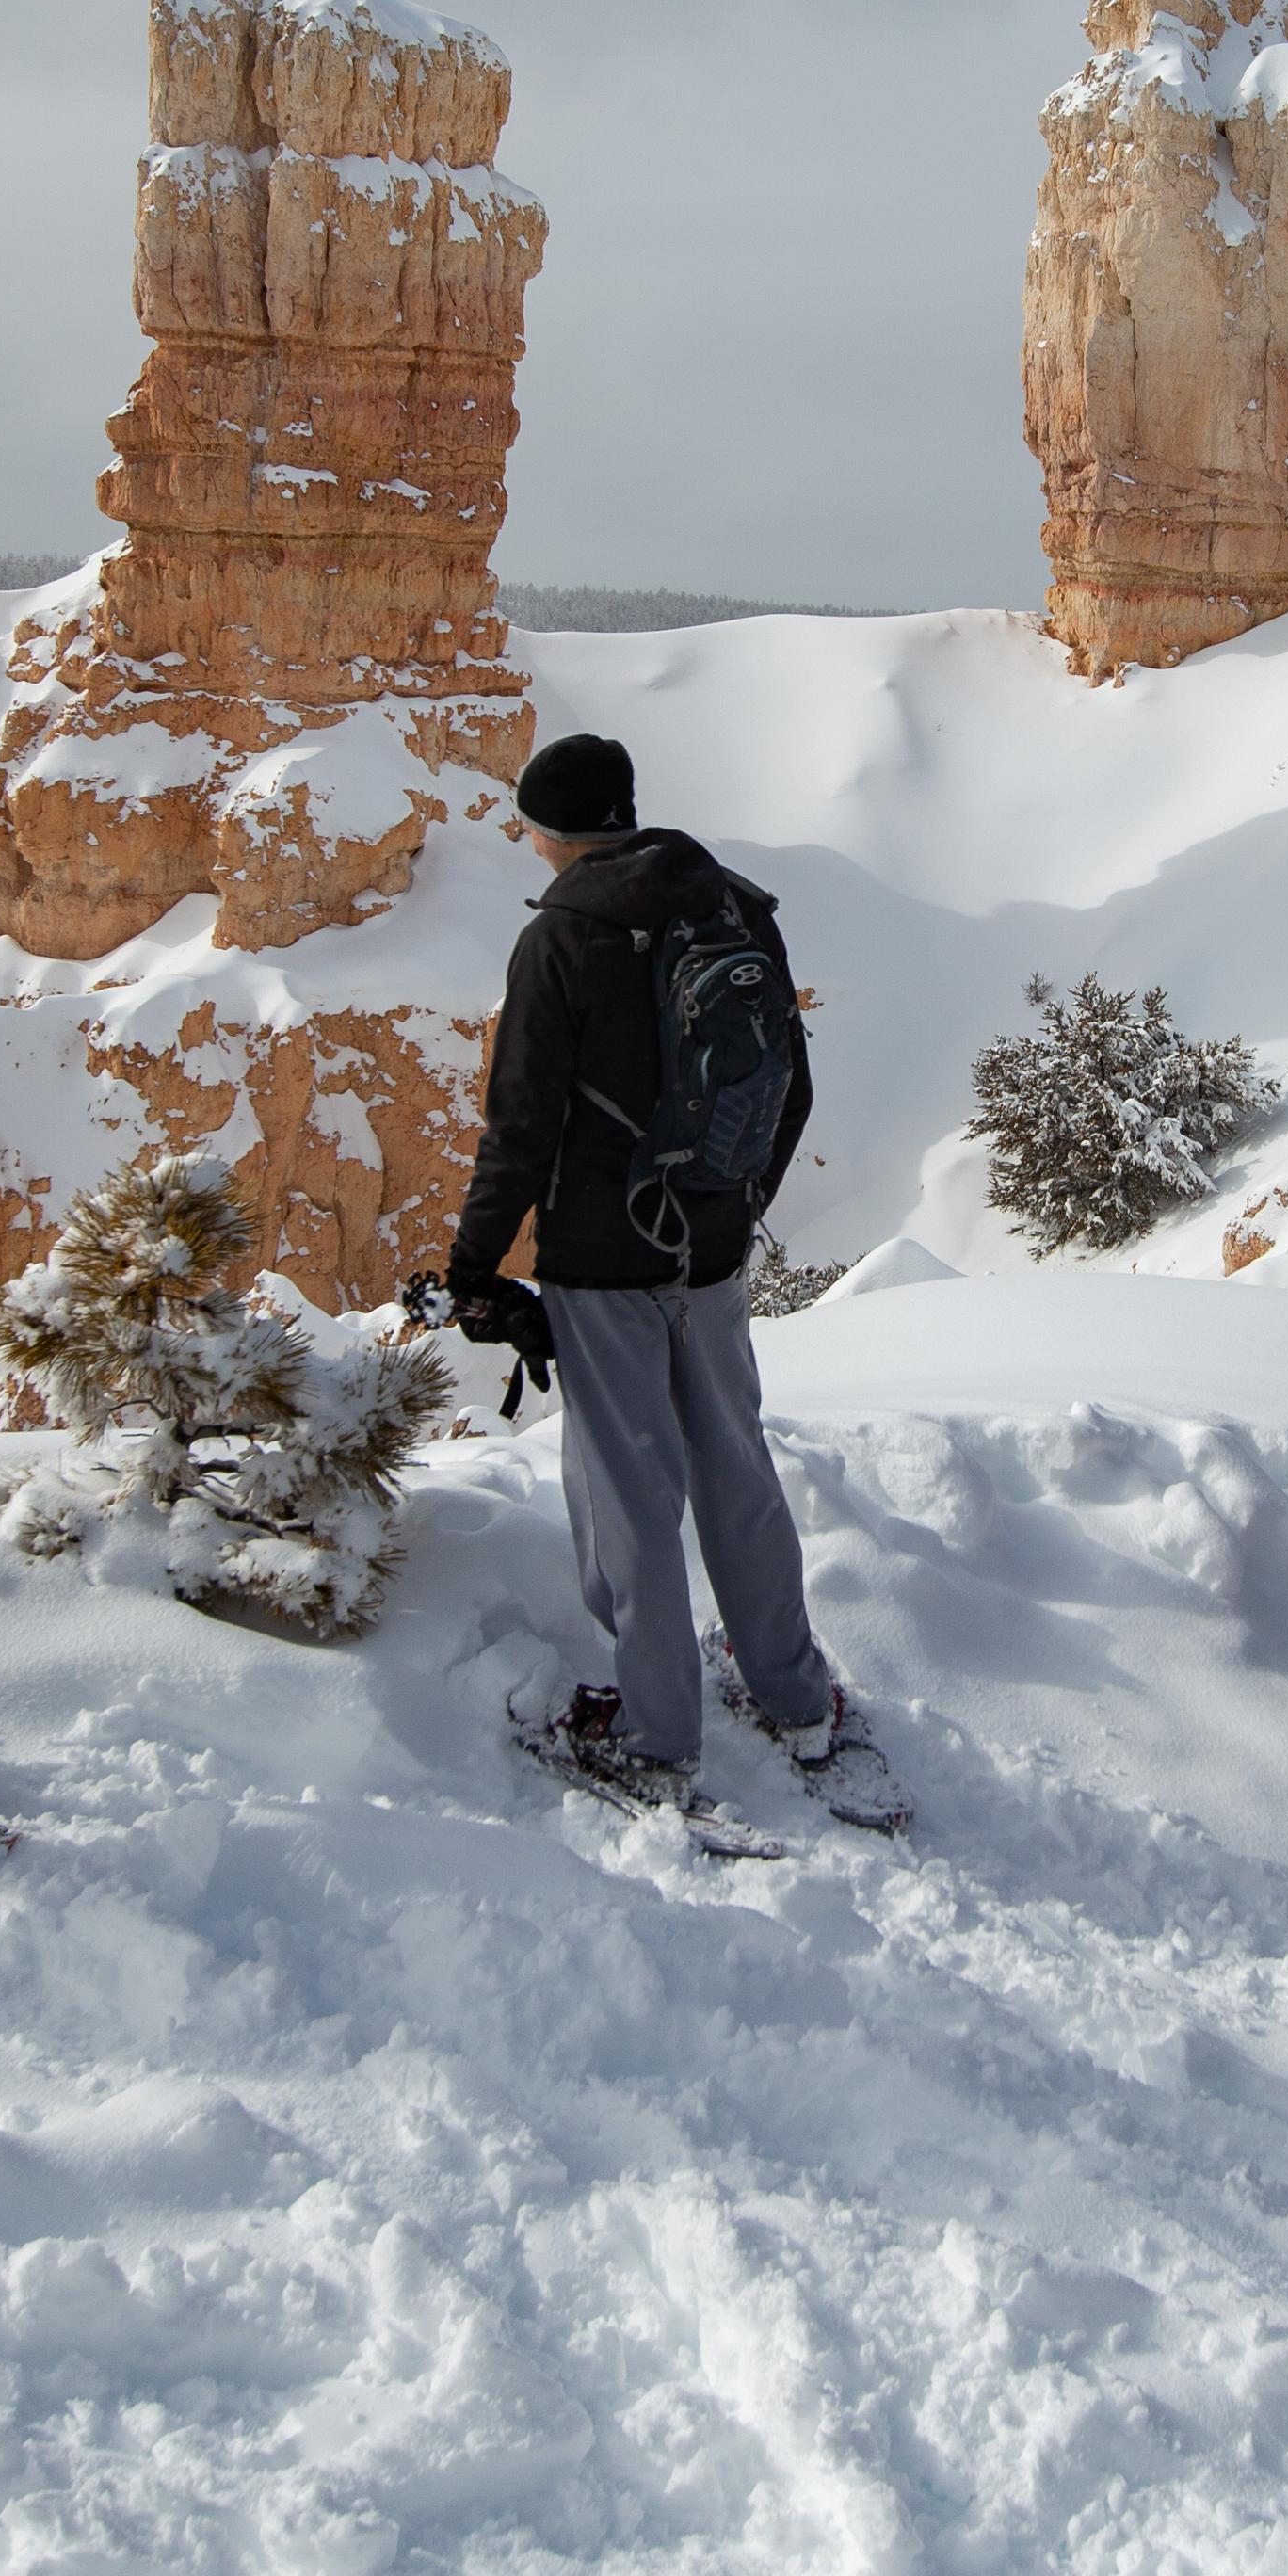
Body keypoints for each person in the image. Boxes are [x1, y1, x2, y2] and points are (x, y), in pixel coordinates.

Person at [443, 731, 837, 1799]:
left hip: (604, 1259)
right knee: (737, 1471)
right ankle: (796, 1701)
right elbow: (791, 1088)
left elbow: (518, 1126)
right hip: (710, 1251)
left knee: (629, 1493)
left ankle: (659, 1737)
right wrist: (737, 1205)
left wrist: (473, 1263)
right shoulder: (732, 906)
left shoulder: (561, 940)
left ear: (549, 831)